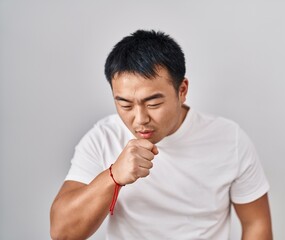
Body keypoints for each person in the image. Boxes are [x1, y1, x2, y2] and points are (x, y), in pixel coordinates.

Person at [50, 29, 273, 240]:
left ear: (182, 90)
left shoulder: (229, 139)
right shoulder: (103, 137)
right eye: (125, 105)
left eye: (153, 103)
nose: (139, 119)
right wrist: (114, 175)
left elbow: (256, 224)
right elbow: (62, 232)